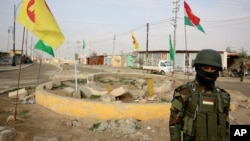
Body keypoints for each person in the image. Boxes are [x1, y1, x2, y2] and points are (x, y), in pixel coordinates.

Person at [169, 49, 231, 141]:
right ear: (198, 68)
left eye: (213, 69)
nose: (209, 72)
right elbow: (174, 124)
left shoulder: (224, 96)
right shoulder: (184, 92)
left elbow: (225, 127)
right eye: (206, 68)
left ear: (218, 71)